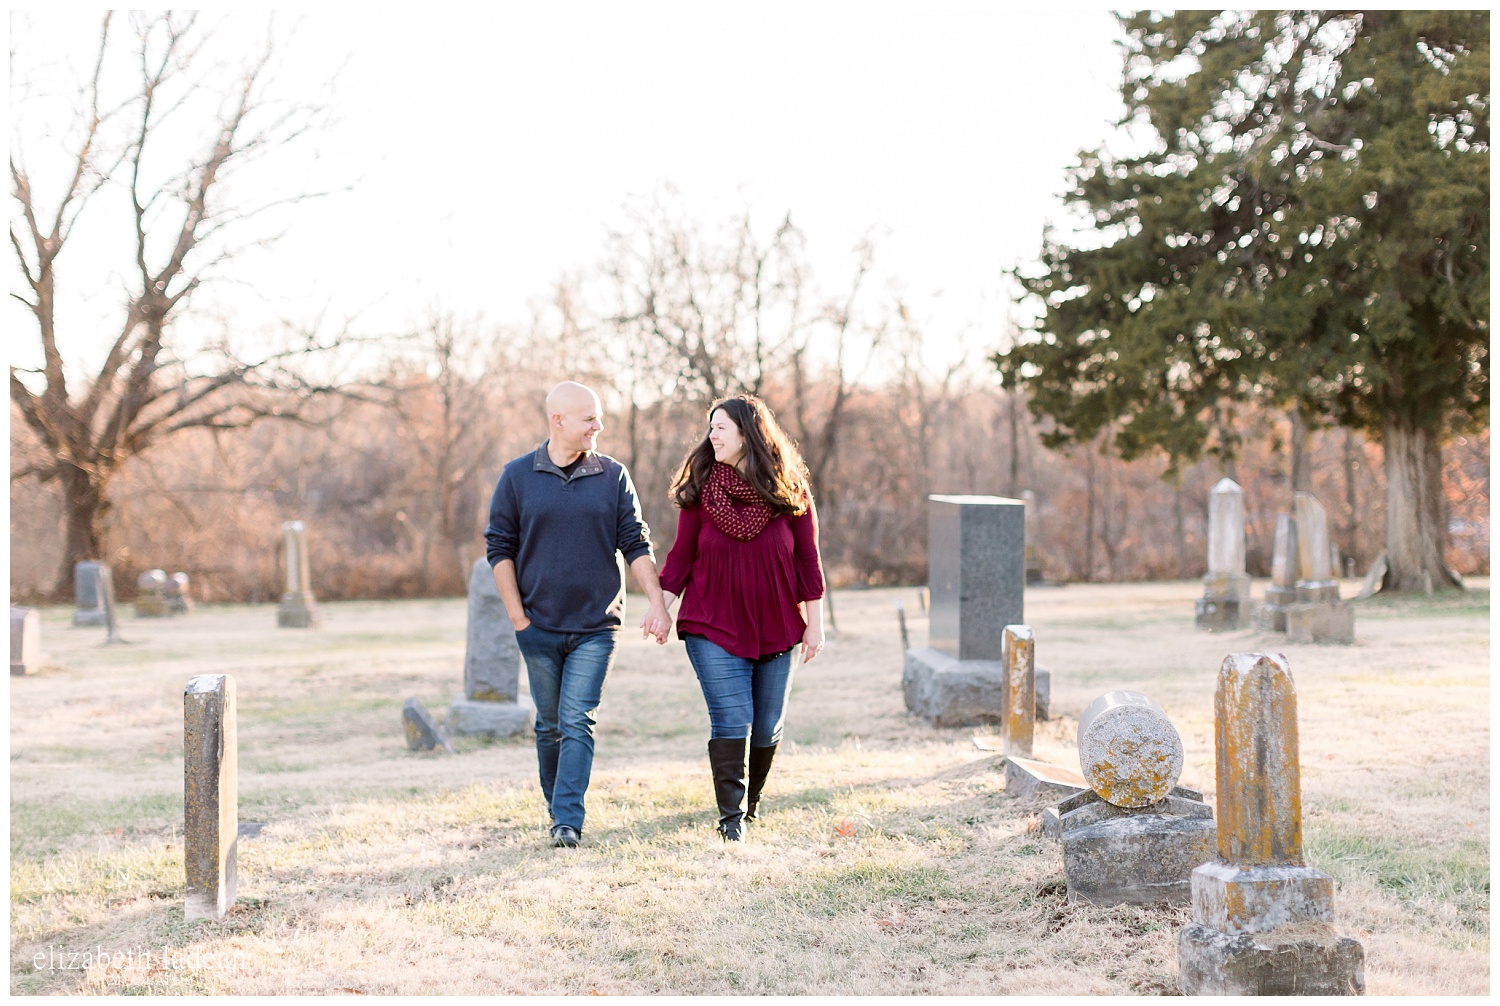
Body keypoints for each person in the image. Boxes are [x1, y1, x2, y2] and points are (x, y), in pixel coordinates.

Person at [485, 381, 671, 849]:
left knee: (577, 720)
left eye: (598, 416)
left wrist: (657, 602)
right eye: (588, 418)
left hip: (596, 626)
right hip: (538, 626)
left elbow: (636, 541)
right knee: (549, 725)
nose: (598, 426)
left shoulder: (612, 475)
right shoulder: (517, 476)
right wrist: (518, 619)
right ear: (558, 421)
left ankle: (567, 820)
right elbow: (499, 549)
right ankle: (556, 808)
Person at [657, 394, 826, 843]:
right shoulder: (700, 492)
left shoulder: (790, 492)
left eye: (720, 428)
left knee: (767, 724)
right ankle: (730, 819)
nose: (711, 435)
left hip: (777, 626)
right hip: (712, 624)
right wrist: (661, 606)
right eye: (710, 428)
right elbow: (680, 557)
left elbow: (809, 562)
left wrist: (816, 622)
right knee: (732, 719)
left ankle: (750, 805)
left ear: (747, 434)